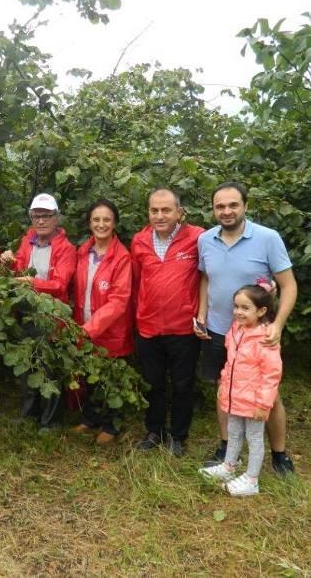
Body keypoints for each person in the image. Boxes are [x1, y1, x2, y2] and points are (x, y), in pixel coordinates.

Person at [195, 181, 297, 473]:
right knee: (224, 389)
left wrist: (277, 324)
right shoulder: (205, 240)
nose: (226, 211)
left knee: (269, 393)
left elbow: (288, 285)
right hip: (218, 330)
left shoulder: (267, 238)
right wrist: (202, 314)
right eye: (220, 206)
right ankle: (228, 448)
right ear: (213, 210)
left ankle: (279, 455)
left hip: (257, 335)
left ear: (245, 207)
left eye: (233, 205)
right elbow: (205, 279)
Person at [131, 188, 204, 456]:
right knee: (153, 383)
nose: (160, 216)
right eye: (154, 210)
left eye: (166, 210)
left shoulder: (197, 237)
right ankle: (154, 431)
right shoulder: (139, 241)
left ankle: (178, 435)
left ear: (179, 212)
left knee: (183, 385)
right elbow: (138, 282)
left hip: (183, 328)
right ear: (148, 212)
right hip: (148, 327)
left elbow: (210, 275)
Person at [1, 193, 77, 430]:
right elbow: (19, 268)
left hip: (52, 315)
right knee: (28, 363)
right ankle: (30, 413)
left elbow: (60, 284)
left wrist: (30, 283)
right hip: (27, 312)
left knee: (49, 366)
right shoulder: (28, 241)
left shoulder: (66, 248)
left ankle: (50, 420)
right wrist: (8, 262)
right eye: (36, 216)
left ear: (57, 218)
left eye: (46, 216)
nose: (41, 221)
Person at [199, 284, 282, 496]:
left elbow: (271, 374)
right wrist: (225, 386)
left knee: (254, 438)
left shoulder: (266, 338)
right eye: (236, 307)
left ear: (261, 311)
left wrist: (264, 404)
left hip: (254, 401)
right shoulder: (235, 330)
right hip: (235, 396)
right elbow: (231, 363)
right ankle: (229, 466)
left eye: (245, 308)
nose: (238, 312)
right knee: (234, 432)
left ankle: (252, 480)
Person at [71, 199, 134, 445]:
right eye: (96, 219)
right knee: (91, 377)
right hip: (84, 326)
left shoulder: (122, 257)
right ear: (89, 223)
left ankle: (112, 424)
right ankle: (90, 419)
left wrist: (89, 329)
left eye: (106, 219)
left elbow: (119, 301)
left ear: (115, 223)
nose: (101, 224)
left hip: (110, 331)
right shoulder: (82, 252)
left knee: (112, 380)